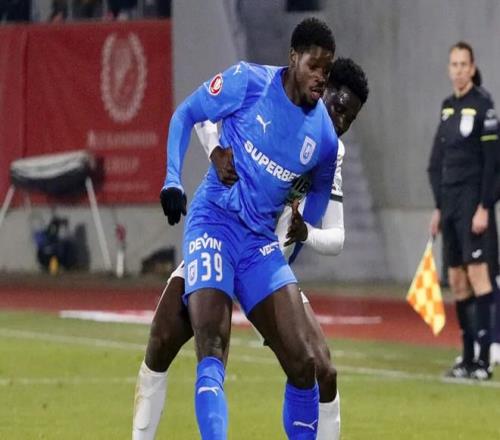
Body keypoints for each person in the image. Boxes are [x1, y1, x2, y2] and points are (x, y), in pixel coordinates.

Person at [133, 57, 369, 439]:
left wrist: (305, 233)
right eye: (338, 108)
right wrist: (214, 150)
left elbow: (335, 235)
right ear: (319, 88)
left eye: (349, 119)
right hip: (224, 234)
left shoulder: (330, 153)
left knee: (321, 369)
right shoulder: (268, 97)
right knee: (162, 339)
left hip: (266, 258)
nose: (340, 122)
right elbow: (202, 115)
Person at [161, 17, 337, 439]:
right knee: (212, 346)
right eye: (314, 66)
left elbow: (315, 202)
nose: (321, 77)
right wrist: (172, 179)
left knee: (305, 363)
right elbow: (187, 114)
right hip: (214, 223)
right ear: (293, 58)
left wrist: (296, 228)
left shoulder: (325, 138)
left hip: (259, 244)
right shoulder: (248, 82)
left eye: (327, 70)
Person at [428, 41, 499, 380]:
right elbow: (437, 162)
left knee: (478, 276)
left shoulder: (484, 106)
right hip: (450, 206)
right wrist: (438, 208)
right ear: (449, 69)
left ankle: (485, 360)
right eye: (453, 64)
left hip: (474, 204)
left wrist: (485, 207)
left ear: (472, 68)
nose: (458, 70)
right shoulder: (447, 108)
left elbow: (493, 166)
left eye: (463, 64)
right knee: (457, 280)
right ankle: (467, 357)